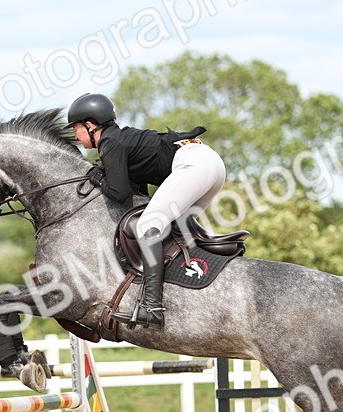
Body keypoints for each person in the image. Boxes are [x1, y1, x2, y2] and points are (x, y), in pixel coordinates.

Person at [66, 92, 226, 329]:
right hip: (211, 164)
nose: (75, 135)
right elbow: (137, 193)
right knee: (177, 228)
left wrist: (96, 176)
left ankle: (152, 307)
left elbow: (119, 194)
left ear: (90, 125)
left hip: (194, 164)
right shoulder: (120, 138)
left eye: (76, 128)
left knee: (148, 225)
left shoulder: (109, 142)